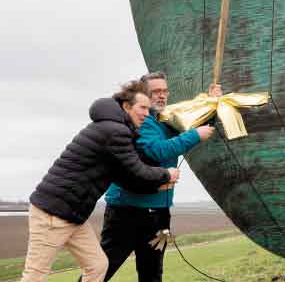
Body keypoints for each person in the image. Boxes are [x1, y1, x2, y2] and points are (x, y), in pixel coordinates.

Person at [21, 81, 179, 282]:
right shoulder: (115, 131)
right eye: (142, 107)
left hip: (73, 214)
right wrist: (167, 174)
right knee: (35, 275)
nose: (147, 113)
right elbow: (137, 170)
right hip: (52, 213)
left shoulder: (116, 130)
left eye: (149, 108)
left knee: (98, 266)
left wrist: (157, 184)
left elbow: (126, 178)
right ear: (126, 106)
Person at [96, 72, 219, 282]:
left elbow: (199, 122)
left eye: (164, 91)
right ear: (143, 96)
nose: (161, 96)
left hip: (158, 212)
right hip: (127, 211)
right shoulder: (142, 121)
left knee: (152, 273)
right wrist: (194, 136)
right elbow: (156, 150)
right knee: (101, 270)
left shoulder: (166, 119)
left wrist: (213, 102)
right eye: (155, 92)